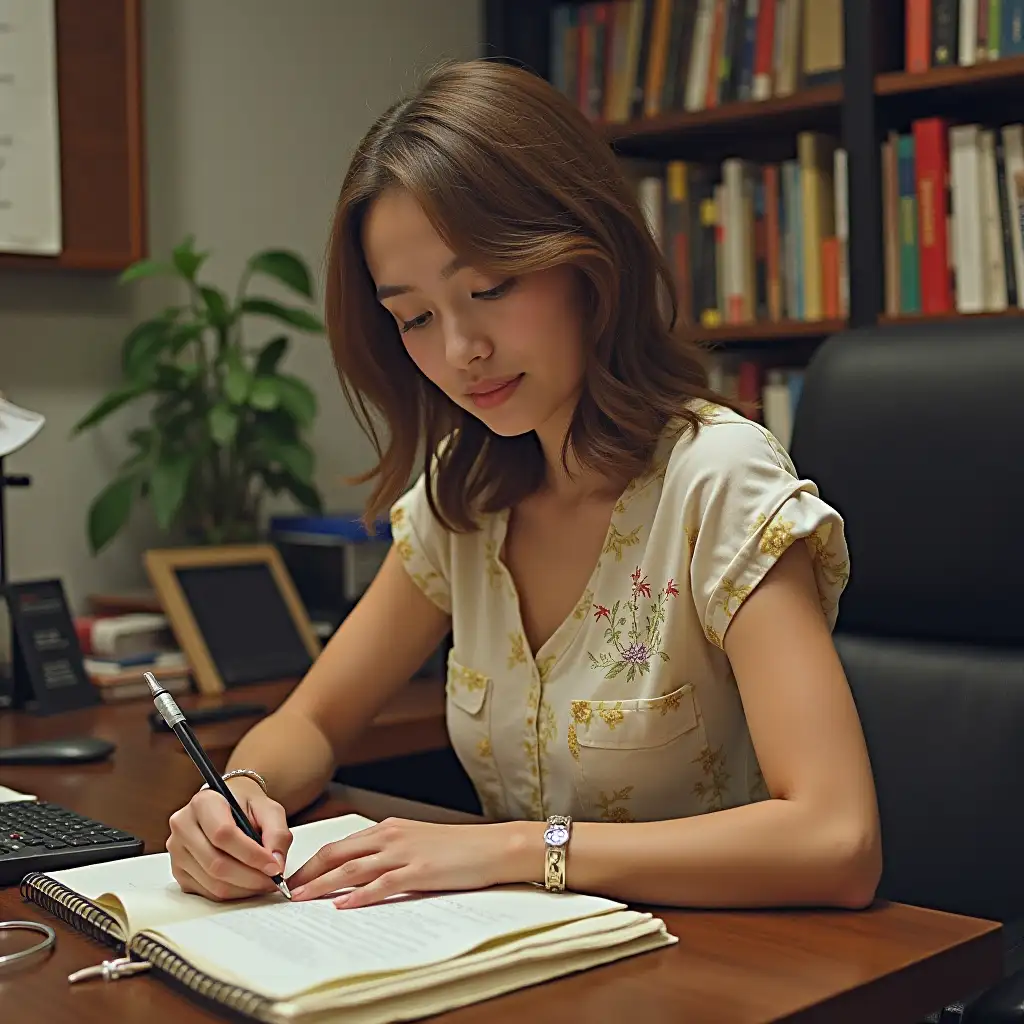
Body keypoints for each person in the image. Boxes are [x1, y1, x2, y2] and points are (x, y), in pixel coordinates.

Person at [165, 59, 882, 913]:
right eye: (415, 318)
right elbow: (314, 721)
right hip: (522, 964)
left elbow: (838, 840)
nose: (461, 349)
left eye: (491, 288)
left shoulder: (716, 484)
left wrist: (509, 850)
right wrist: (237, 793)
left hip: (729, 966)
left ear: (587, 256)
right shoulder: (461, 497)